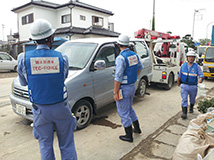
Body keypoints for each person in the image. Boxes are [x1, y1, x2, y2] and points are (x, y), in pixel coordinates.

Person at [17, 19, 77, 160]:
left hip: (40, 110)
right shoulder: (62, 57)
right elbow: (63, 77)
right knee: (67, 144)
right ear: (51, 38)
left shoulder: (23, 58)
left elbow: (23, 82)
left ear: (33, 40)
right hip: (61, 107)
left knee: (45, 145)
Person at [114, 34, 143, 143]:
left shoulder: (120, 58)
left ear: (118, 44)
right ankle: (137, 129)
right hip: (132, 86)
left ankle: (128, 136)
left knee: (123, 112)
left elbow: (118, 77)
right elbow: (140, 67)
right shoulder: (134, 55)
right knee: (129, 108)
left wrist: (115, 92)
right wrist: (134, 77)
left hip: (123, 89)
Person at [177, 50, 204, 119]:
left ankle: (191, 107)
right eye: (189, 57)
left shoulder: (197, 67)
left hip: (193, 86)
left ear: (194, 58)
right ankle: (184, 113)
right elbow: (179, 75)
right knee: (184, 99)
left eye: (192, 57)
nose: (191, 58)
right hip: (184, 86)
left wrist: (200, 79)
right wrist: (178, 82)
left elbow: (201, 75)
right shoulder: (183, 65)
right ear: (187, 58)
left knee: (192, 99)